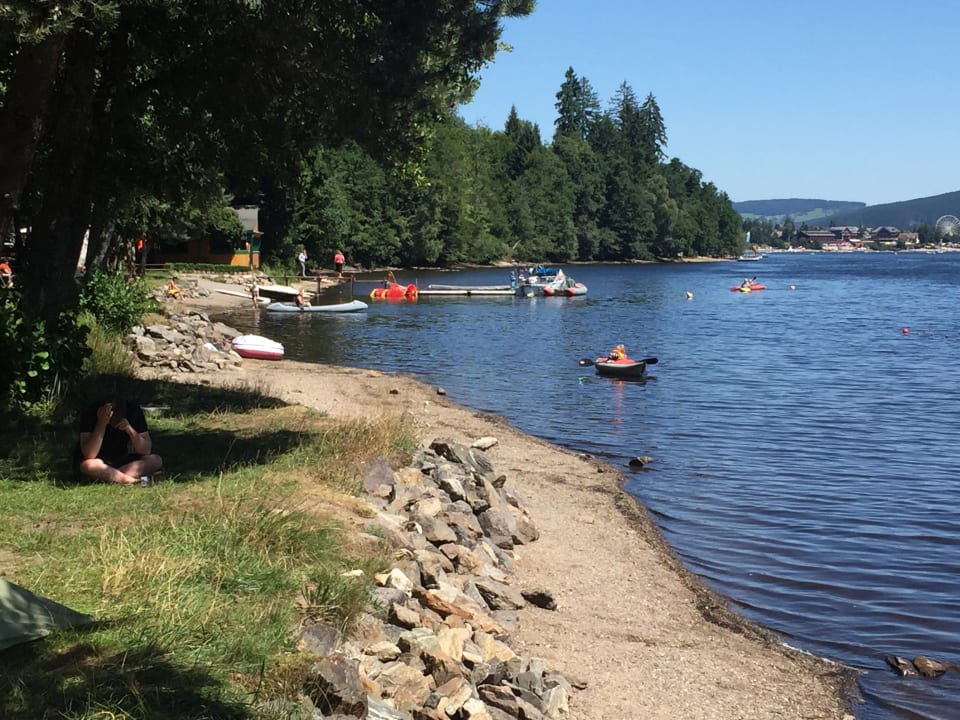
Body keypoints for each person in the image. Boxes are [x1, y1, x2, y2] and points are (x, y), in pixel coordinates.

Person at [73, 396, 163, 485]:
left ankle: (111, 478)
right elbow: (89, 454)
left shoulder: (133, 410)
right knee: (89, 465)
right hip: (97, 461)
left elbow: (145, 450)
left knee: (155, 459)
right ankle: (135, 481)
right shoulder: (91, 411)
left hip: (120, 460)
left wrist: (130, 430)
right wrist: (101, 424)